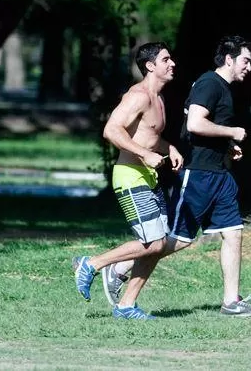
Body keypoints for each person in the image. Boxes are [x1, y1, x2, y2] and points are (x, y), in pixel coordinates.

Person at [71, 42, 183, 320]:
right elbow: (111, 129)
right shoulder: (139, 95)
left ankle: (126, 305)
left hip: (148, 176)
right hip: (130, 177)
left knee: (156, 246)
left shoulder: (159, 98)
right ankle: (92, 263)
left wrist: (168, 148)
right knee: (155, 243)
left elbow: (149, 134)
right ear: (150, 66)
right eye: (166, 60)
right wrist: (145, 154)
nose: (172, 64)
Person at [165, 35, 251, 317]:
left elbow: (207, 126)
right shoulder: (210, 82)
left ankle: (231, 301)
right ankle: (118, 268)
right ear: (229, 59)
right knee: (178, 240)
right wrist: (233, 133)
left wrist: (227, 146)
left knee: (233, 233)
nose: (249, 67)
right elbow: (195, 123)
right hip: (198, 174)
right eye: (245, 61)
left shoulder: (222, 87)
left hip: (219, 174)